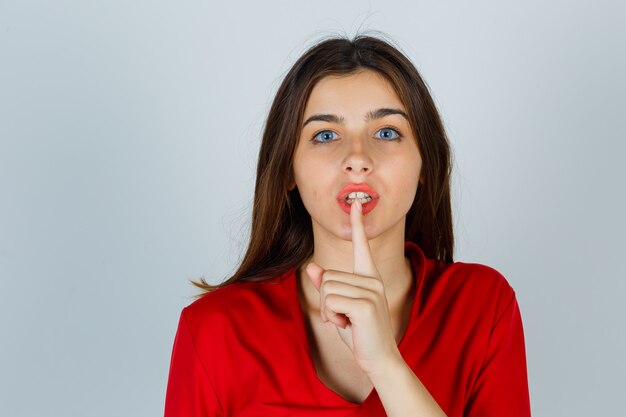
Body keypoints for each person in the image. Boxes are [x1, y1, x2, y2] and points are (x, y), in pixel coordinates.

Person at [163, 33, 531, 417]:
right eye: (325, 135)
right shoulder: (214, 330)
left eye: (387, 132)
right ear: (289, 169)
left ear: (426, 163)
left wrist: (387, 365)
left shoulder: (482, 306)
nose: (357, 158)